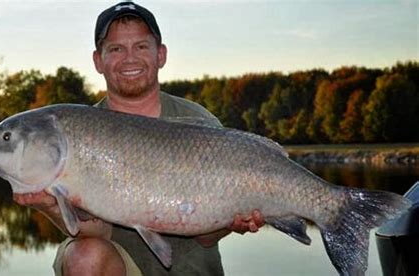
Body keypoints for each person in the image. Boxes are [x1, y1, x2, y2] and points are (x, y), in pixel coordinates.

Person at [14, 2, 265, 275]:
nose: (129, 58)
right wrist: (49, 205)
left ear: (161, 55)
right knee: (84, 256)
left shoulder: (199, 122)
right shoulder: (76, 131)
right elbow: (99, 231)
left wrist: (231, 221)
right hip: (119, 268)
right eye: (116, 49)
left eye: (141, 47)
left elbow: (204, 237)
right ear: (98, 61)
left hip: (191, 270)